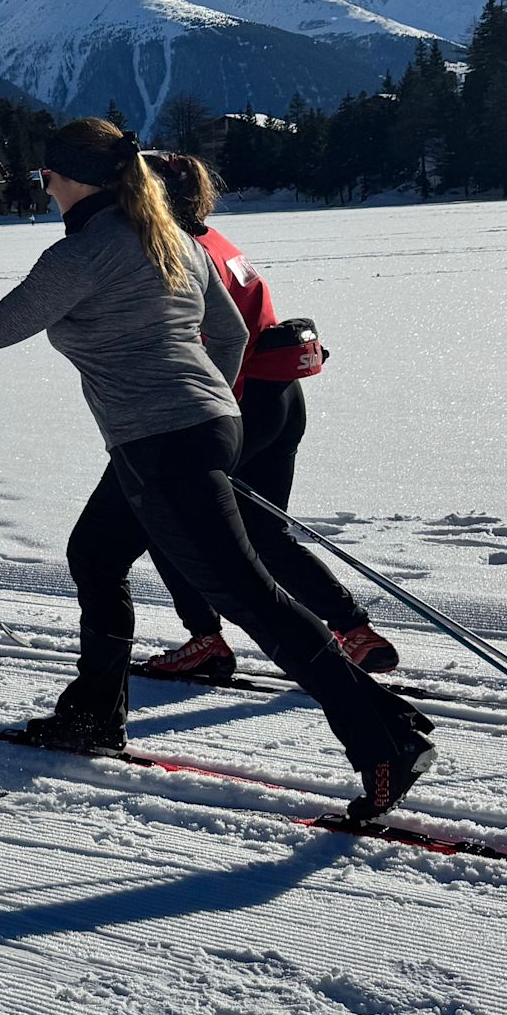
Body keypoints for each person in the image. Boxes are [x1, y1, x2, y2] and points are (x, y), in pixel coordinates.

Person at [0, 118, 435, 820]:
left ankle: (385, 742)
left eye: (45, 175)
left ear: (68, 177)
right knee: (97, 552)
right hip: (200, 428)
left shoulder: (79, 256)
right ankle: (92, 718)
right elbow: (230, 333)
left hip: (163, 441)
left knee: (252, 598)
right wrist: (203, 407)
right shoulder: (168, 238)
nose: (43, 187)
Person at [134, 153, 401, 684]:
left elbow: (207, 341)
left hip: (237, 403)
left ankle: (206, 640)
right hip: (280, 397)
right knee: (263, 531)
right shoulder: (218, 242)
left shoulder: (175, 253)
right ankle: (354, 630)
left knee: (168, 519)